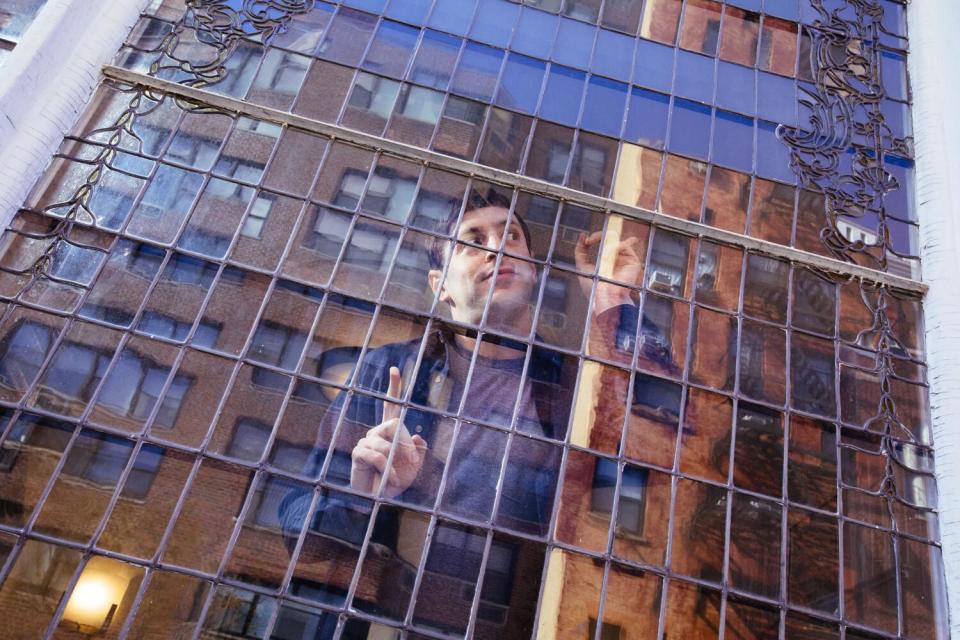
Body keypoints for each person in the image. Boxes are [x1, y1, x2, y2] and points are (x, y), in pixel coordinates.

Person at [278, 187, 643, 634]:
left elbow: (658, 444)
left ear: (533, 271)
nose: (496, 249)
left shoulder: (574, 386)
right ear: (441, 286)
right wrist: (360, 496)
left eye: (510, 237)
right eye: (473, 241)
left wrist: (614, 301)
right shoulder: (388, 371)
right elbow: (297, 530)